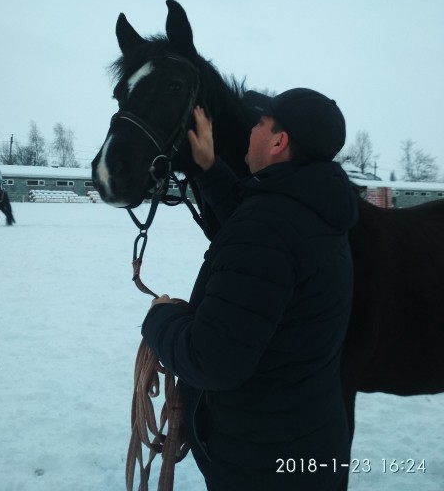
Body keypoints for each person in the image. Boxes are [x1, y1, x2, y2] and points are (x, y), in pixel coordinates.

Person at [141, 88, 358, 491]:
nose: (250, 129)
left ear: (279, 141)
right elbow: (260, 247)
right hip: (307, 446)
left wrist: (159, 319)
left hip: (259, 466)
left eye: (260, 122)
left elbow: (211, 360)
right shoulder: (316, 211)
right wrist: (209, 169)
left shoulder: (268, 227)